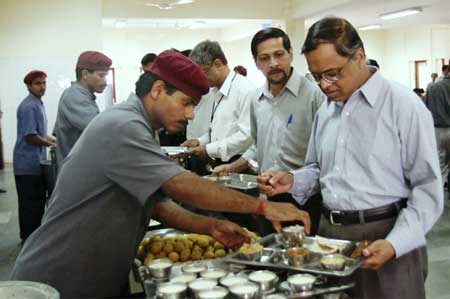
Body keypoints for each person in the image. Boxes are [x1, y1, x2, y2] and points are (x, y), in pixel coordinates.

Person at [10, 50, 310, 299]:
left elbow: (154, 202)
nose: (191, 114)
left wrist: (210, 225)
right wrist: (263, 206)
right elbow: (180, 185)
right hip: (59, 278)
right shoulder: (122, 125)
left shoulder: (138, 125)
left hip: (91, 276)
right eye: (186, 103)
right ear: (157, 91)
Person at [258, 17, 443, 299]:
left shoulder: (402, 107)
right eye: (316, 76)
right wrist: (293, 180)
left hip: (386, 234)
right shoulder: (326, 111)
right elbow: (319, 169)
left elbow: (427, 192)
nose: (324, 85)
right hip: (329, 238)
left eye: (332, 74)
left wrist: (395, 243)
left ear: (358, 56)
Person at [214, 28, 326, 235]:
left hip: (305, 199)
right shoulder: (256, 100)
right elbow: (259, 144)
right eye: (265, 58)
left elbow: (325, 156)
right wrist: (234, 166)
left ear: (291, 53)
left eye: (279, 55)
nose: (273, 63)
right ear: (256, 63)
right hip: (268, 200)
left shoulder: (315, 97)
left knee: (303, 264)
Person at [182, 40, 255, 169]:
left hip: (239, 163)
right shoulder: (216, 91)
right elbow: (218, 131)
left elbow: (246, 136)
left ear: (218, 64)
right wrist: (199, 141)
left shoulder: (244, 90)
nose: (200, 79)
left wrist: (208, 149)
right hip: (220, 161)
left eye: (203, 72)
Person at [13, 70, 56, 242]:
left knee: (35, 205)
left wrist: (55, 140)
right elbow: (31, 136)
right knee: (30, 206)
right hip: (27, 165)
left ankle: (31, 238)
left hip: (33, 163)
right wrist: (51, 144)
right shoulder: (29, 106)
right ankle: (29, 241)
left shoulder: (37, 103)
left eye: (44, 83)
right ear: (29, 86)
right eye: (38, 83)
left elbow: (41, 133)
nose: (42, 87)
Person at [53, 50, 112, 169]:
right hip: (74, 173)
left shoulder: (83, 96)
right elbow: (100, 129)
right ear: (85, 74)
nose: (105, 81)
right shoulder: (75, 97)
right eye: (101, 75)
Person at [425, 67, 450, 187]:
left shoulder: (431, 87)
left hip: (437, 130)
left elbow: (426, 109)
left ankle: (436, 199)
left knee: (441, 167)